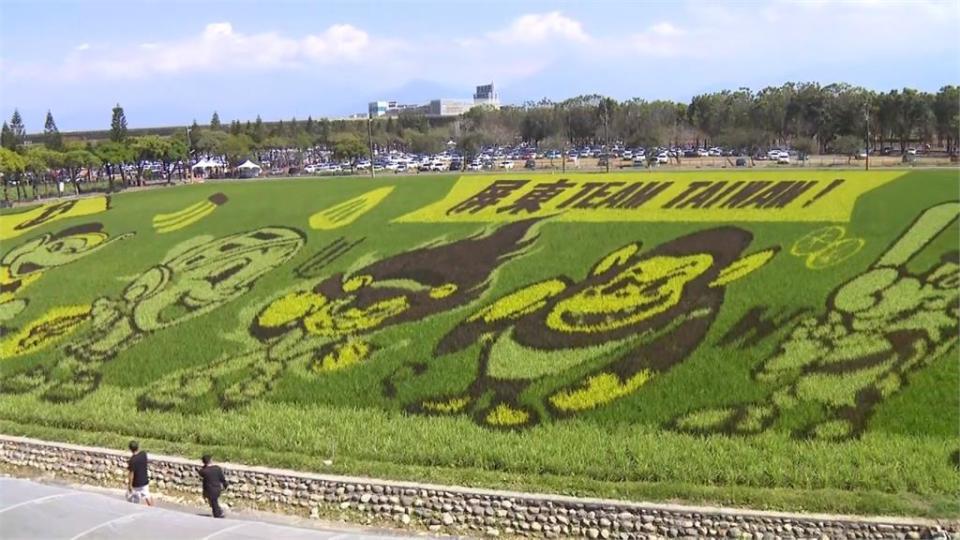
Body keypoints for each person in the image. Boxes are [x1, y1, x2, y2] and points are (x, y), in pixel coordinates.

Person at [198, 454, 229, 518]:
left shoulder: (204, 471)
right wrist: (225, 485)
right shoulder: (217, 468)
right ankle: (218, 512)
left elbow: (201, 471)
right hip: (217, 489)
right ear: (211, 460)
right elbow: (222, 478)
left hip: (209, 490)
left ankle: (218, 514)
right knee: (214, 502)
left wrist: (205, 466)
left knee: (213, 502)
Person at [126, 440, 153, 506]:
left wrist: (130, 485)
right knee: (147, 495)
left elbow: (131, 474)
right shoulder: (144, 454)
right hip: (144, 480)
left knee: (134, 498)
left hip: (137, 483)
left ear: (130, 449)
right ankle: (152, 508)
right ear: (138, 447)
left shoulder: (132, 460)